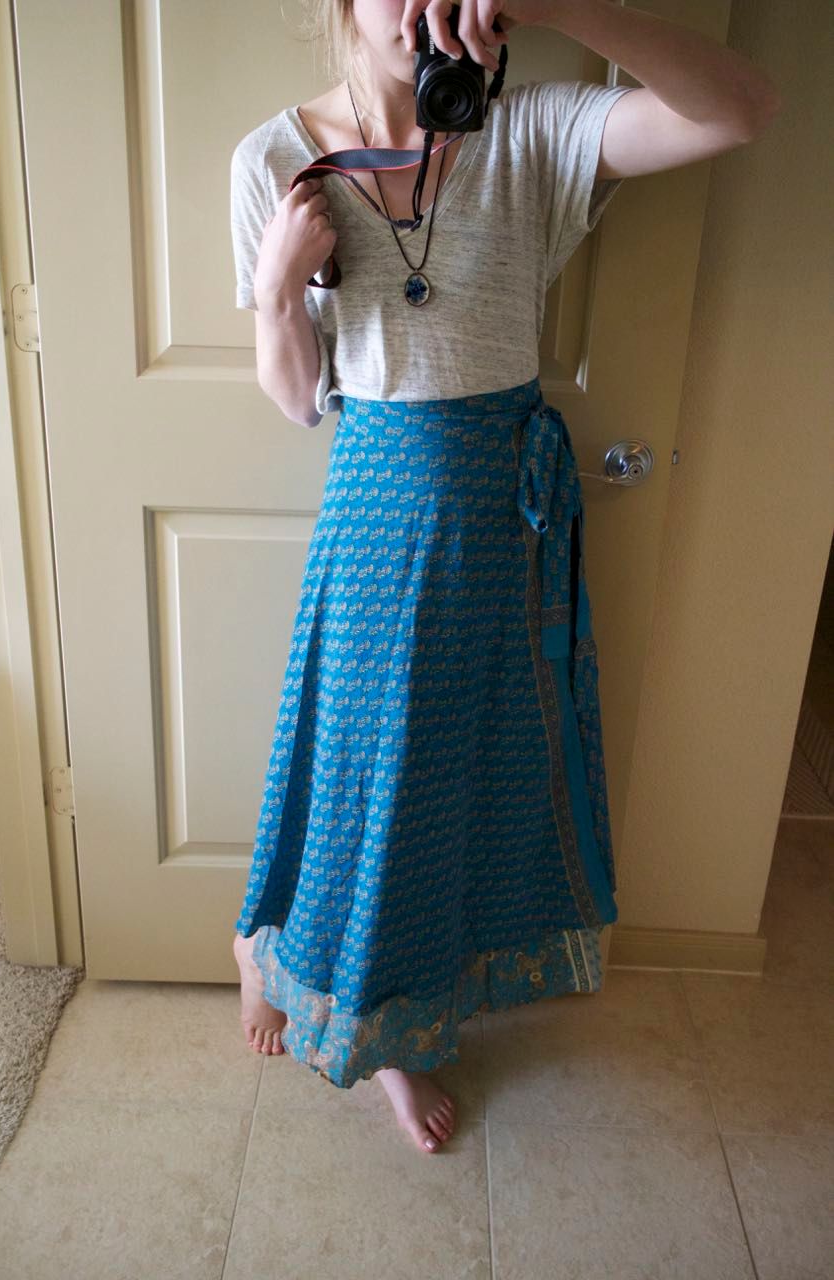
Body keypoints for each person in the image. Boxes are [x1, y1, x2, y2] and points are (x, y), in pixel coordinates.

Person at [229, 0, 780, 1155]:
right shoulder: (277, 160)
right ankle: (307, 971)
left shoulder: (527, 134)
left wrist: (552, 1)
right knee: (362, 772)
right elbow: (294, 401)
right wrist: (280, 289)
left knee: (462, 777)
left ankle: (397, 995)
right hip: (378, 526)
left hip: (505, 527)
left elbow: (738, 109)